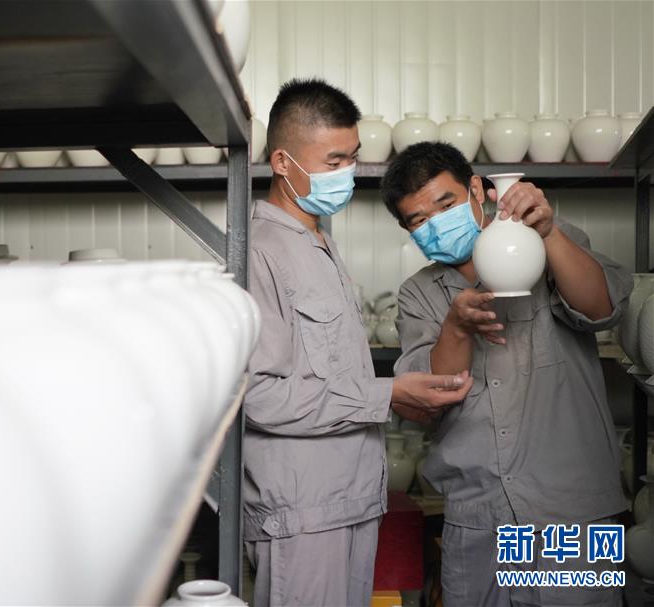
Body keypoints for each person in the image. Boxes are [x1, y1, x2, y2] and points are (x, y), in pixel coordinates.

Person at [244, 79, 474, 607]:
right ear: (281, 162)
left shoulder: (318, 242)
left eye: (352, 157)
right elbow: (259, 396)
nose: (347, 173)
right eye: (333, 161)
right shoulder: (260, 252)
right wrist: (387, 394)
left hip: (349, 501)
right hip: (302, 514)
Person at [382, 141, 631, 607]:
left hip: (574, 517)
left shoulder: (543, 241)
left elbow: (603, 309)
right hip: (477, 519)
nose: (436, 224)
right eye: (419, 221)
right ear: (407, 230)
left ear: (477, 190)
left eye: (446, 205)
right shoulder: (419, 294)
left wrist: (548, 233)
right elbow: (425, 399)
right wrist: (456, 327)